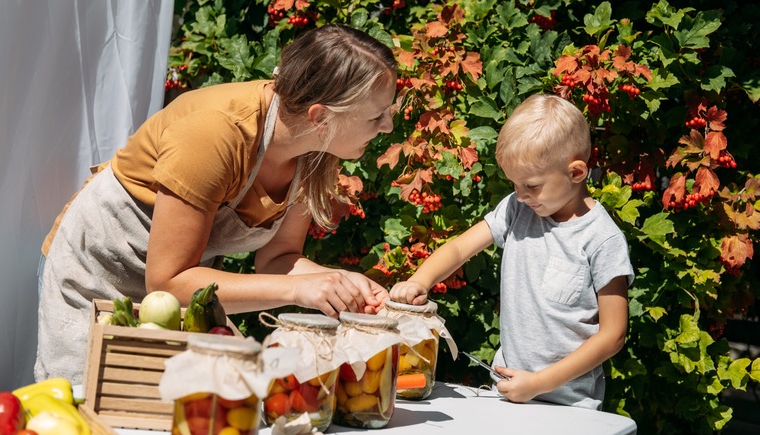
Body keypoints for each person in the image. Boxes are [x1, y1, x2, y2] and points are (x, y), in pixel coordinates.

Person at [36, 24, 397, 385]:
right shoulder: (214, 133)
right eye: (375, 116)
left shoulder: (314, 149)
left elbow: (278, 258)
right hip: (98, 275)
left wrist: (342, 282)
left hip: (181, 291)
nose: (388, 126)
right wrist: (299, 290)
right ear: (321, 116)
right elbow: (168, 281)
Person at [389, 94, 634, 409]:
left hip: (571, 409)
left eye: (531, 186)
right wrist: (419, 281)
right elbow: (460, 247)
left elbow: (613, 335)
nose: (520, 195)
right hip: (508, 395)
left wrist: (538, 384)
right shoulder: (518, 211)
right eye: (514, 184)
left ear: (576, 173)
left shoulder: (602, 239)